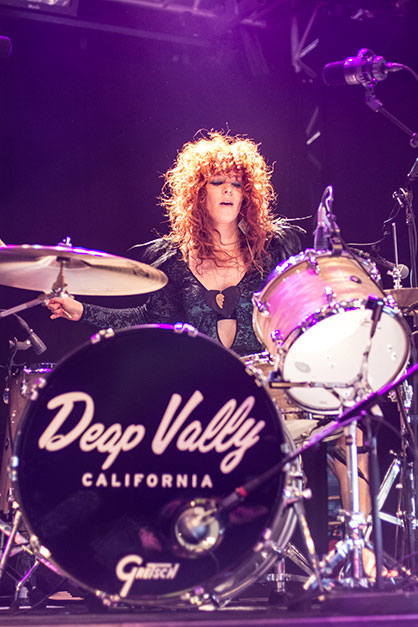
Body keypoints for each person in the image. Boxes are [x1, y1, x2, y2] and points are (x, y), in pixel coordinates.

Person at [47, 131, 302, 355]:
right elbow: (148, 319)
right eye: (217, 182)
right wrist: (82, 310)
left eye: (237, 184)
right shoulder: (175, 261)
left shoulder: (271, 251)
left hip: (259, 387)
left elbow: (301, 313)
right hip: (199, 387)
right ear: (198, 192)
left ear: (246, 195)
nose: (229, 189)